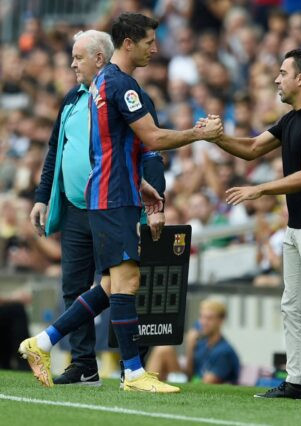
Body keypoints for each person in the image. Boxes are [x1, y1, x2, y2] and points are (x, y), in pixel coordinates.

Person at [19, 13, 222, 393]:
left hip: (113, 193)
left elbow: (110, 146)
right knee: (127, 281)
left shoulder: (101, 84)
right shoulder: (122, 85)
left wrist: (141, 183)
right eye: (149, 42)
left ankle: (42, 342)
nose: (155, 49)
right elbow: (153, 140)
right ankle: (133, 373)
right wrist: (200, 133)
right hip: (112, 198)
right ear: (128, 42)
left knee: (112, 286)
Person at [199, 49, 301, 403]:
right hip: (298, 227)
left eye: (282, 72)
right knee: (294, 305)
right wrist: (217, 137)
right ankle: (297, 381)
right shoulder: (291, 119)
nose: (276, 79)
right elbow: (253, 148)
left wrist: (260, 189)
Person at [28, 29, 166, 386]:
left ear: (99, 58)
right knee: (91, 285)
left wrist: (156, 203)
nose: (72, 64)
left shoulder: (125, 94)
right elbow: (55, 151)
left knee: (118, 283)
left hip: (112, 202)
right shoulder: (73, 99)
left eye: (78, 57)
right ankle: (86, 364)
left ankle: (127, 366)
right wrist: (43, 195)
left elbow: (150, 152)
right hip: (81, 206)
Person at [146, 298, 240, 384]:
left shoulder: (224, 352)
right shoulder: (202, 343)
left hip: (206, 392)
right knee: (164, 349)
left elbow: (206, 384)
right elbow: (189, 374)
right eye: (202, 317)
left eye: (209, 318)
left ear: (220, 321)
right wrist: (190, 347)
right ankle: (146, 387)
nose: (204, 322)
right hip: (192, 382)